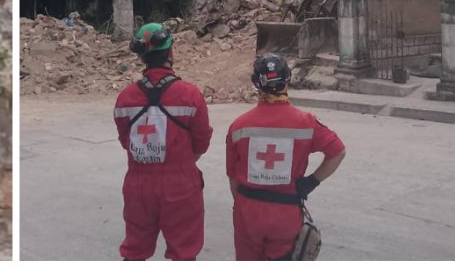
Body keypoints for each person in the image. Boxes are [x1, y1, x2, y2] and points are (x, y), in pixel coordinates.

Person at [225, 54, 345, 260]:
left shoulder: (239, 126)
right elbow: (338, 152)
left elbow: (233, 176)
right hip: (286, 213)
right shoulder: (306, 122)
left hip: (247, 212)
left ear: (257, 83)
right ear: (287, 79)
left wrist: (246, 205)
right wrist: (311, 182)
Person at [113, 23, 212, 260]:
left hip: (138, 184)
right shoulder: (190, 95)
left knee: (135, 250)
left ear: (141, 57)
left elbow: (127, 141)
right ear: (170, 53)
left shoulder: (125, 97)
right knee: (183, 252)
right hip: (180, 185)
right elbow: (202, 142)